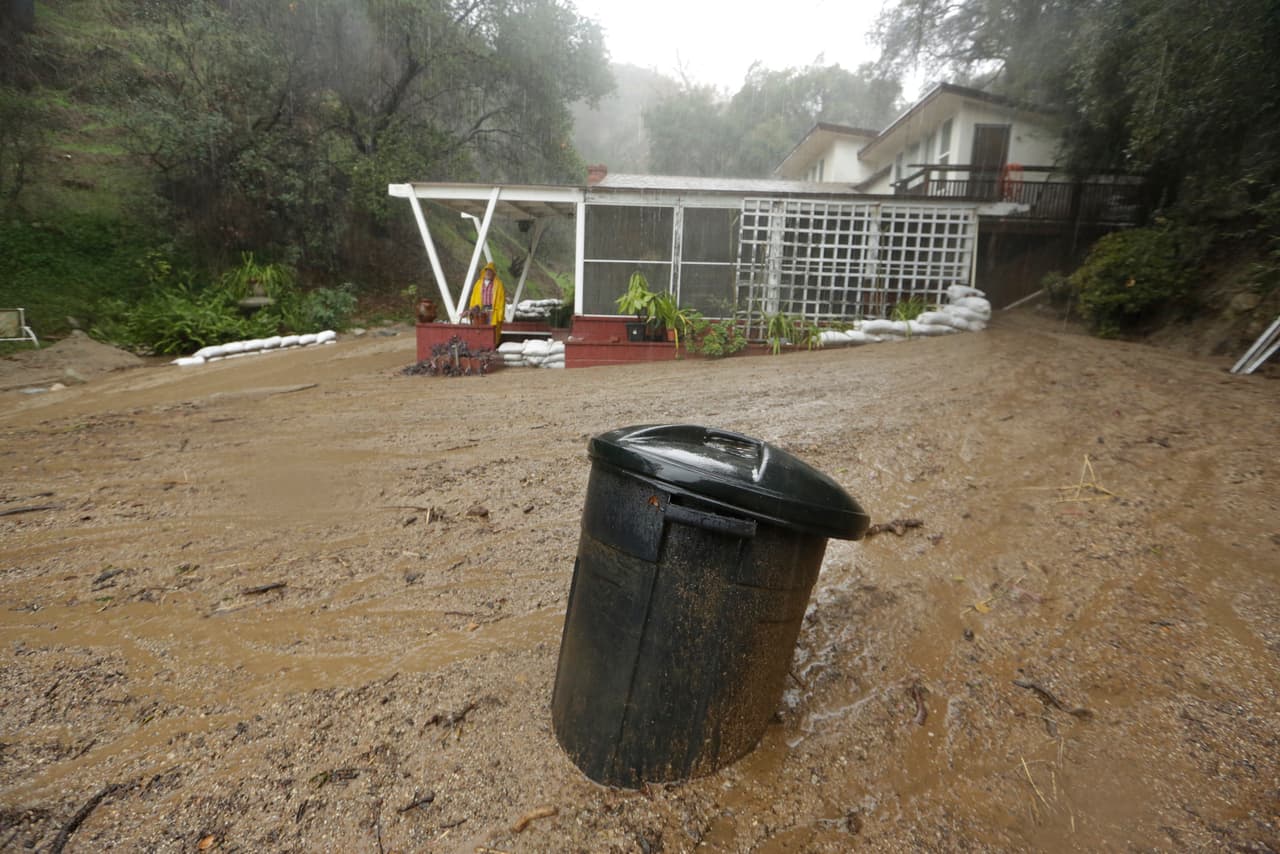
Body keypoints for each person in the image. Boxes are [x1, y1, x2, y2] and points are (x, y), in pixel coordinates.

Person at [467, 262, 506, 346]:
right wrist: (471, 309)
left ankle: (492, 346)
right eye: (487, 271)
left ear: (494, 273)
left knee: (493, 331)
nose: (488, 273)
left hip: (493, 311)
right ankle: (480, 345)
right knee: (480, 329)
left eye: (490, 271)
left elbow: (501, 300)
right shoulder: (478, 284)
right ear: (484, 272)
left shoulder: (499, 285)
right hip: (480, 311)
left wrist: (500, 314)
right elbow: (473, 297)